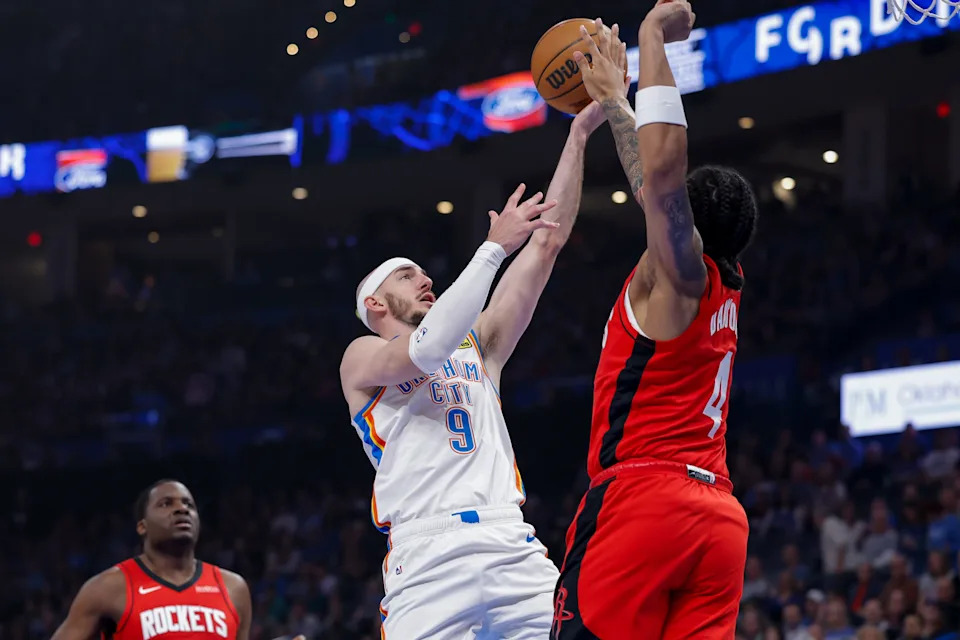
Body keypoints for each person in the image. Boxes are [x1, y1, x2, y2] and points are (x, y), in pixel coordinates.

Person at [339, 92, 616, 638]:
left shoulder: (480, 346)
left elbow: (545, 245)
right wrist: (491, 250)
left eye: (423, 274)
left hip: (509, 542)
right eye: (406, 276)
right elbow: (423, 351)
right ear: (376, 304)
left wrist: (580, 134)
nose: (425, 280)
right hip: (426, 556)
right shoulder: (361, 357)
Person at [552, 7, 759, 638]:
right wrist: (618, 100)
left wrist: (650, 45)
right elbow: (654, 188)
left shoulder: (677, 274)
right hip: (719, 521)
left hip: (644, 501)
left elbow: (664, 176)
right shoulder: (722, 282)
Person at [50, 480, 252, 640]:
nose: (182, 509)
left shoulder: (233, 588)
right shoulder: (107, 587)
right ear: (142, 526)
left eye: (188, 504)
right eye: (166, 504)